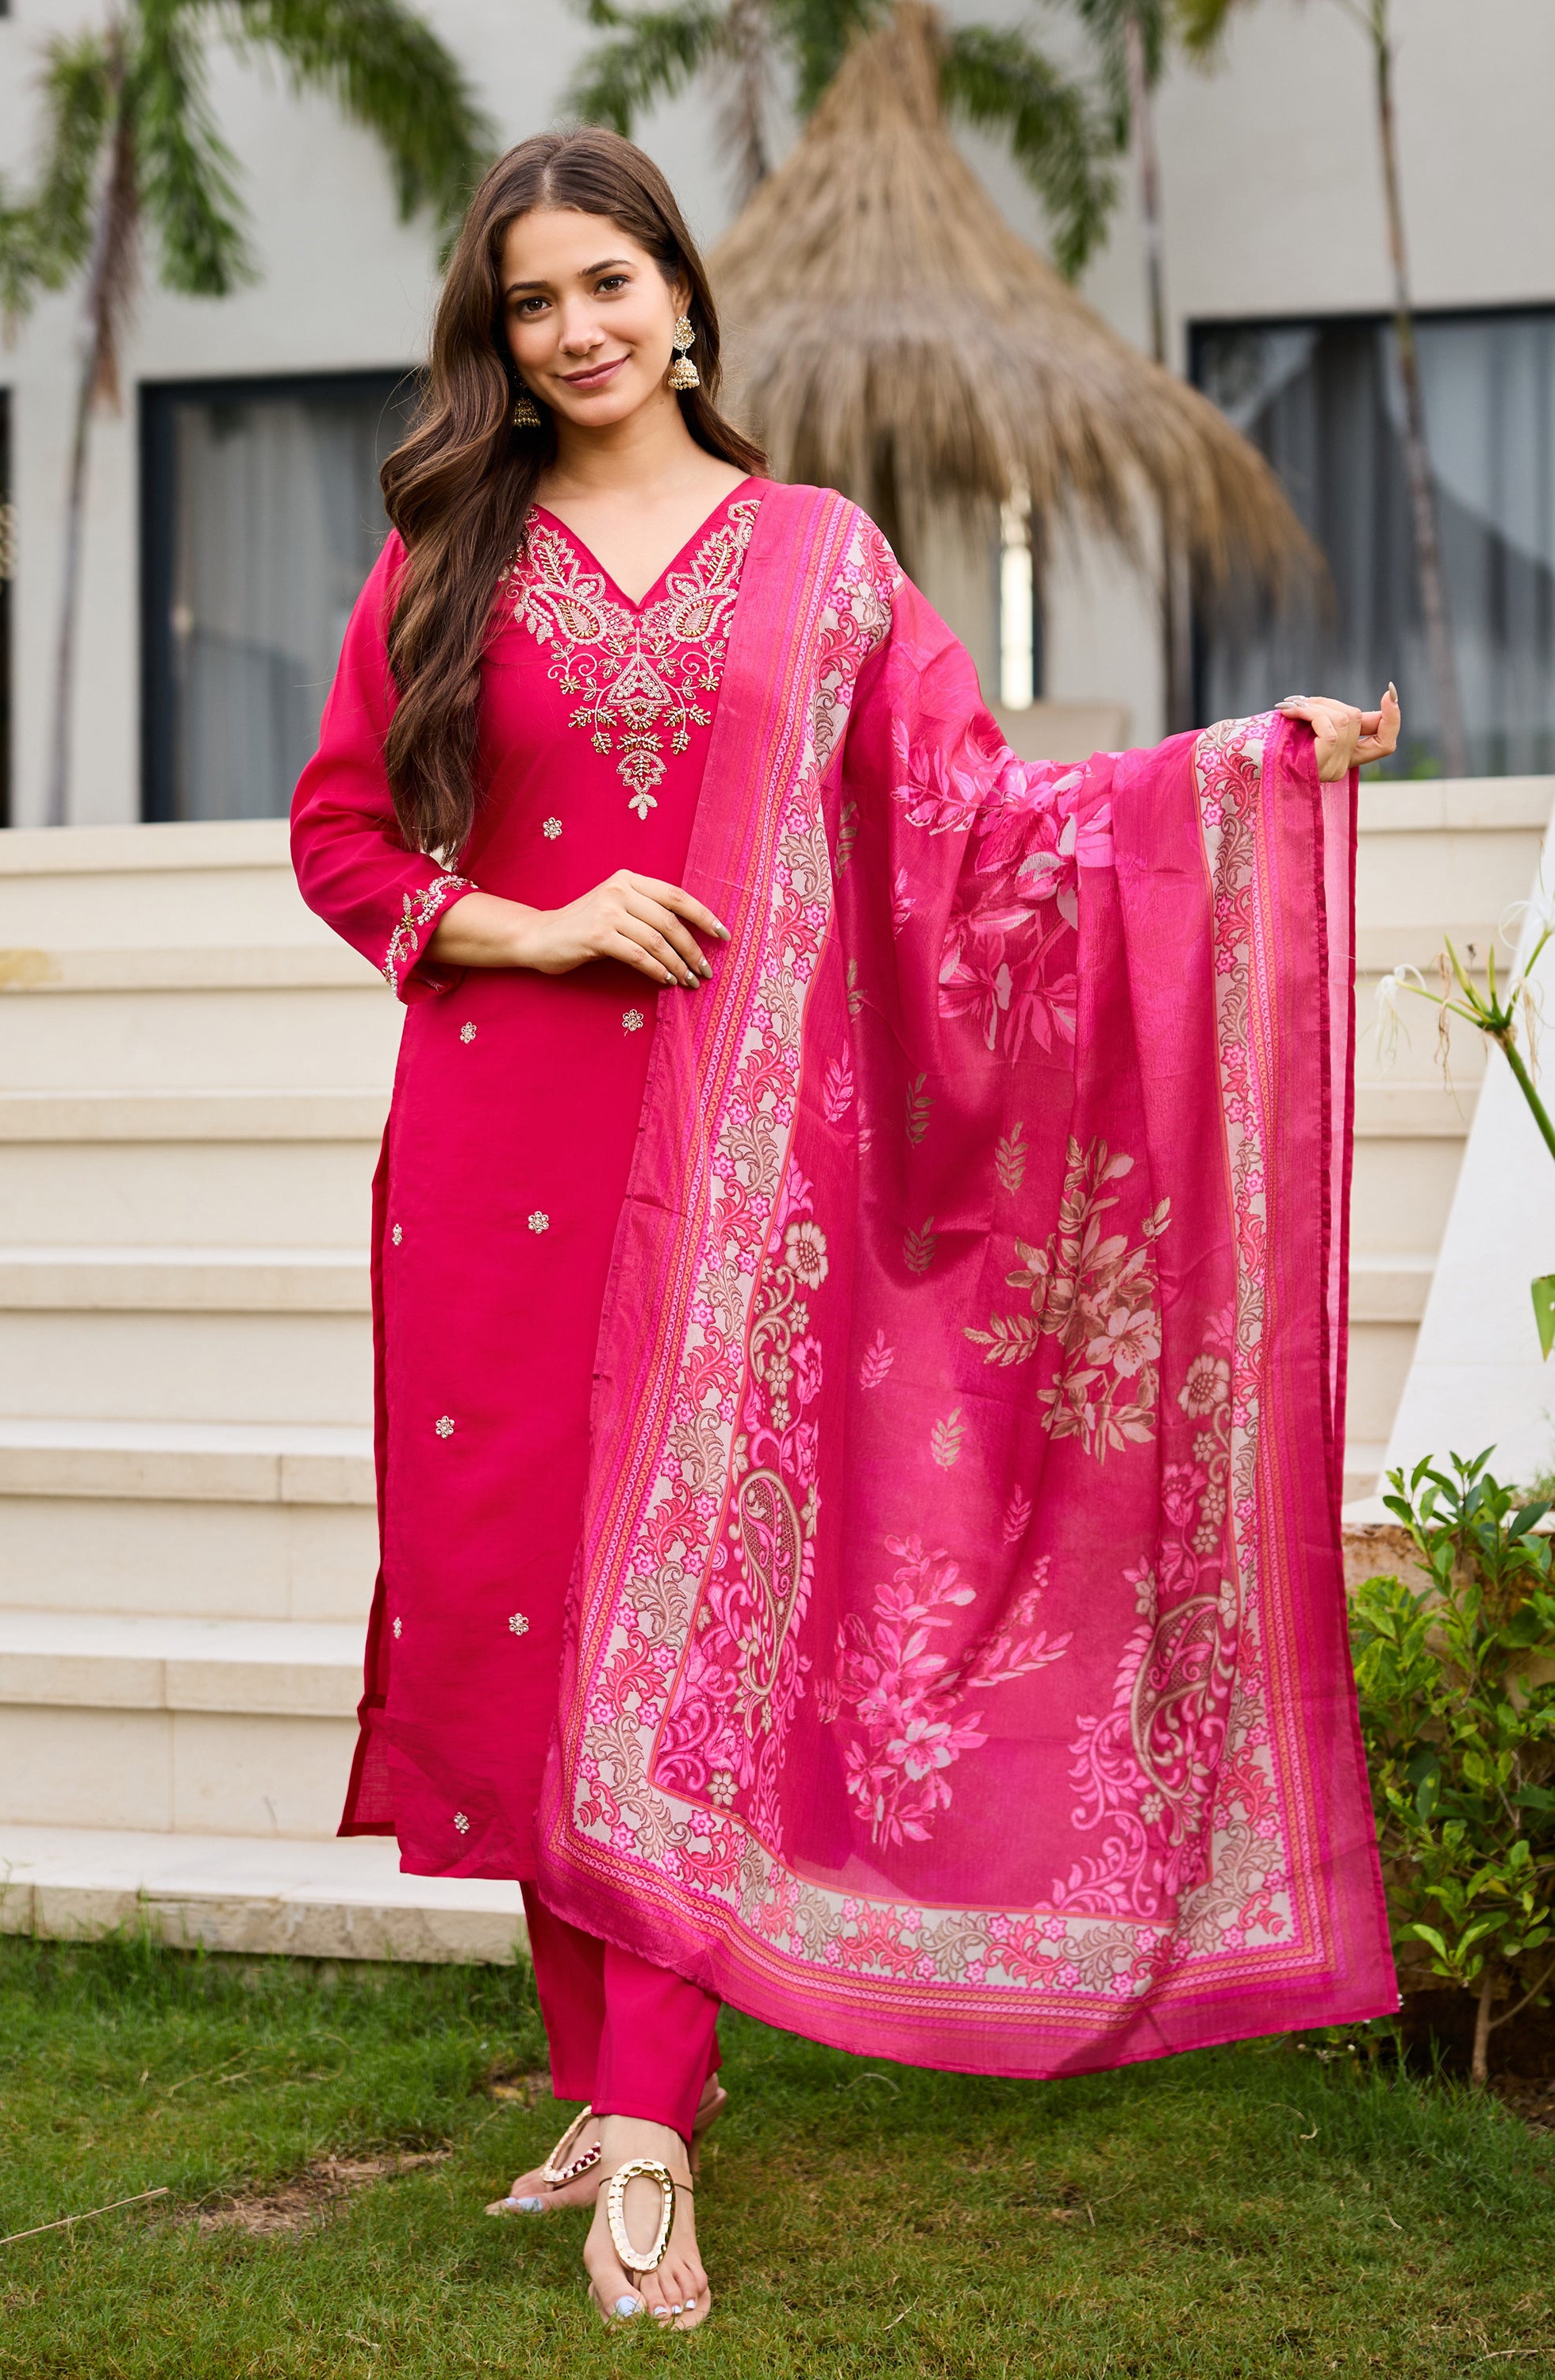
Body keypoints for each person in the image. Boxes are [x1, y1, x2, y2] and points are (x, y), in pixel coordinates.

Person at [290, 128, 1403, 2332]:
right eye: (532, 302)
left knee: (687, 1613)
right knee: (531, 1612)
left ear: (681, 296)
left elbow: (977, 826)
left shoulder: (822, 559)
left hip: (736, 1171)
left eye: (607, 283)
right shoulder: (448, 557)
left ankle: (646, 2134)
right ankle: (603, 2082)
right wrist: (533, 923)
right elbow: (344, 842)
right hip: (498, 1146)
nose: (577, 330)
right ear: (497, 337)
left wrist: (1231, 773)